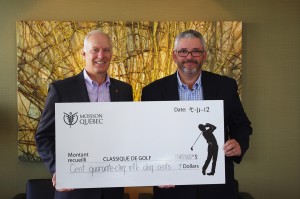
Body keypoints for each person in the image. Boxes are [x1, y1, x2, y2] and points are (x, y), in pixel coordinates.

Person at [141, 30, 252, 199]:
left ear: (204, 55)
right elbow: (146, 137)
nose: (189, 57)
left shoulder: (225, 86)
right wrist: (155, 172)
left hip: (217, 187)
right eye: (183, 51)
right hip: (172, 187)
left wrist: (239, 144)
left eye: (196, 51)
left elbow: (242, 126)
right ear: (174, 56)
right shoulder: (152, 92)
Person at [35, 30, 133, 199]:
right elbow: (44, 136)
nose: (101, 55)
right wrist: (59, 169)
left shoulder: (124, 90)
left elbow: (128, 135)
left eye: (106, 50)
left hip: (111, 188)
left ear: (111, 54)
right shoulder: (61, 90)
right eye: (95, 50)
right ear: (83, 54)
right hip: (74, 189)